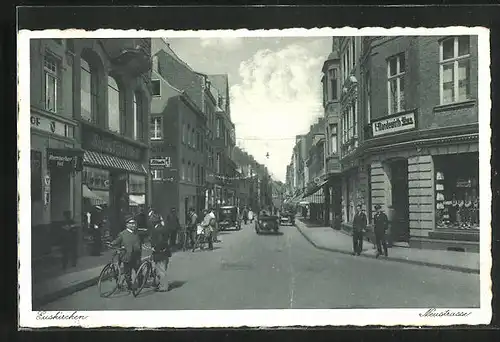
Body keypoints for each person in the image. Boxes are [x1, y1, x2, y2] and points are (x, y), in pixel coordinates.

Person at [110, 216, 142, 290]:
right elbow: (117, 241)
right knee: (127, 272)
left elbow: (139, 243)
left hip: (136, 256)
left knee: (138, 270)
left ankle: (141, 282)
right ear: (127, 225)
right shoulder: (122, 234)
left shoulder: (137, 233)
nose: (133, 225)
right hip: (127, 256)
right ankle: (129, 285)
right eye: (131, 223)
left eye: (134, 223)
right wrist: (112, 244)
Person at [150, 213, 171, 292]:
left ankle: (164, 287)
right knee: (161, 269)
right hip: (165, 252)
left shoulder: (158, 229)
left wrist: (155, 248)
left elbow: (160, 241)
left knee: (161, 270)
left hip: (160, 252)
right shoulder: (163, 228)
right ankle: (160, 284)